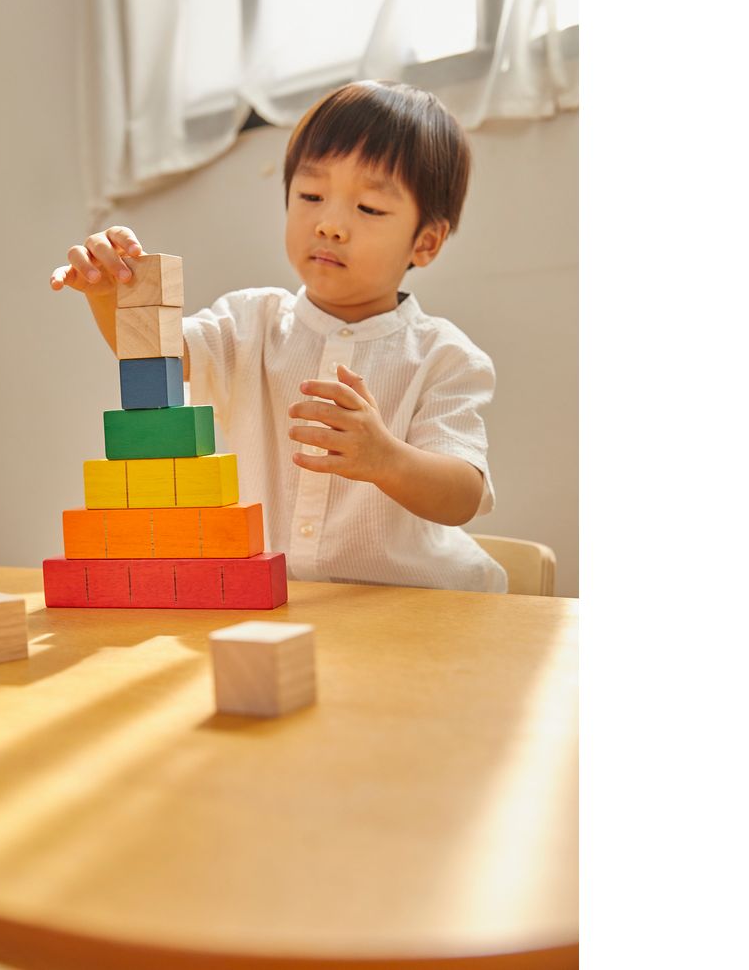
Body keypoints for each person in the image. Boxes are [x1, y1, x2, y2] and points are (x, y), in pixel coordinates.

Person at [51, 80, 507, 592]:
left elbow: (464, 494)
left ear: (425, 241)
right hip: (282, 603)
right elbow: (160, 357)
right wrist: (110, 294)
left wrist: (387, 459)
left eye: (370, 208)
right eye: (311, 195)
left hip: (420, 609)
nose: (330, 224)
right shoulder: (251, 322)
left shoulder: (443, 357)